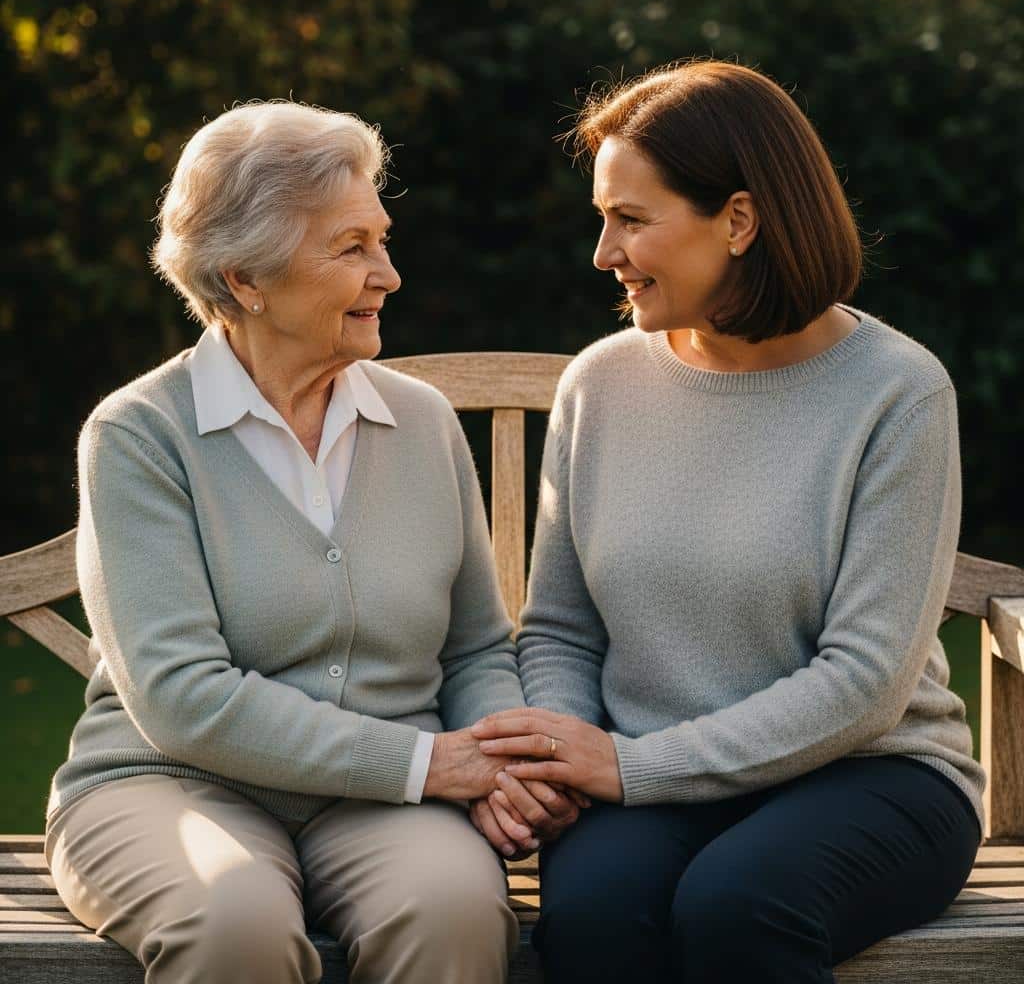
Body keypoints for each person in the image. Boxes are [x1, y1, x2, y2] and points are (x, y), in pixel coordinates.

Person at [471, 61, 985, 983]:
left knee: (740, 907)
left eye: (630, 220)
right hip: (645, 775)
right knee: (591, 917)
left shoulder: (897, 394)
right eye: (603, 218)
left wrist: (631, 770)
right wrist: (560, 749)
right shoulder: (601, 383)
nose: (603, 252)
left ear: (739, 221)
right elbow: (559, 628)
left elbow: (864, 681)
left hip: (870, 777)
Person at [44, 100, 578, 984]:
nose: (390, 275)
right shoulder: (140, 435)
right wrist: (429, 763)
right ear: (244, 277)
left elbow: (476, 644)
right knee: (235, 926)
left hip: (385, 800)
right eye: (352, 248)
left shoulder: (422, 422)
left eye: (383, 239)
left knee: (454, 915)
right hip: (169, 784)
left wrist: (496, 762)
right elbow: (180, 696)